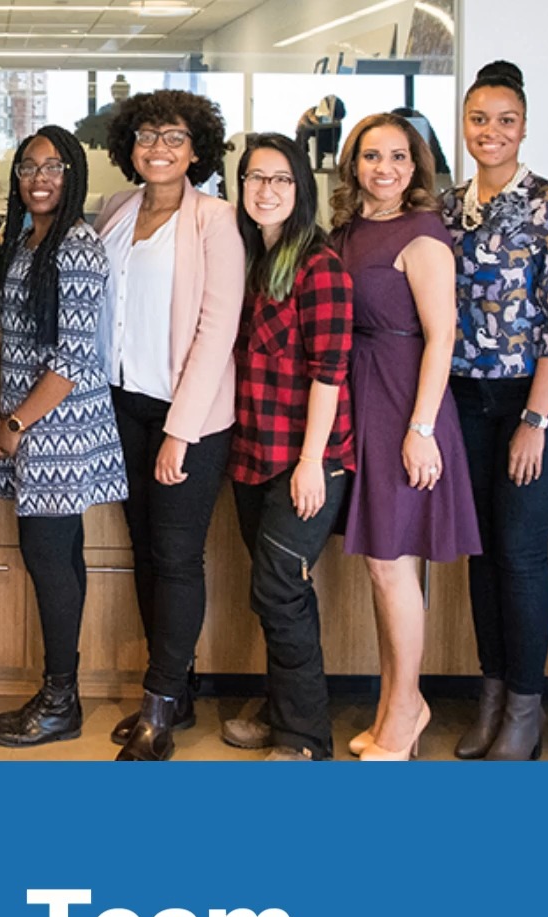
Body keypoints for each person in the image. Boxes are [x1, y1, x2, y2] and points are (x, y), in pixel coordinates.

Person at [435, 60, 548, 762]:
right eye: (478, 119)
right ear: (463, 125)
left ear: (524, 127)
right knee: (483, 553)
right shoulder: (448, 206)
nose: (490, 131)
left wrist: (535, 420)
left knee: (522, 553)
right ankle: (491, 696)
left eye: (504, 120)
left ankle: (526, 710)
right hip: (467, 396)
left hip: (537, 397)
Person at [93, 90, 243, 762]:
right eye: (147, 135)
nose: (158, 148)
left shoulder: (215, 219)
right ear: (130, 145)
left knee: (178, 557)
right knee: (145, 550)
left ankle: (158, 708)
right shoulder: (115, 212)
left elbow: (218, 328)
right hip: (123, 405)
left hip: (192, 416)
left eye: (174, 137)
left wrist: (182, 430)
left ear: (196, 149)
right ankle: (174, 687)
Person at [331, 113, 482, 761]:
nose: (384, 169)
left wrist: (421, 429)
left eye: (398, 157)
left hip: (402, 403)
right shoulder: (347, 231)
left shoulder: (424, 233)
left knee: (395, 566)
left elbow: (441, 336)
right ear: (353, 164)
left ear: (416, 166)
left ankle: (404, 711)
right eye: (371, 156)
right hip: (358, 398)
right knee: (380, 566)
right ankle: (399, 704)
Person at [0, 125, 124, 748]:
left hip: (58, 429)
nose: (39, 178)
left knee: (50, 561)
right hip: (26, 419)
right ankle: (58, 692)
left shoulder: (77, 247)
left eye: (54, 166)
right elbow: (11, 342)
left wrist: (16, 423)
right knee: (56, 558)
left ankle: (61, 699)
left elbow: (72, 358)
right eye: (28, 166)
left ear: (74, 176)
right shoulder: (24, 241)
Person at [225, 132, 355, 761]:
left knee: (280, 588)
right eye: (255, 178)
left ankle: (305, 738)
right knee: (270, 587)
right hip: (252, 451)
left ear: (301, 189)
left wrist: (311, 463)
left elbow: (329, 372)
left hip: (309, 459)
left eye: (280, 179)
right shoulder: (250, 260)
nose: (266, 190)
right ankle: (283, 710)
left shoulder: (319, 266)